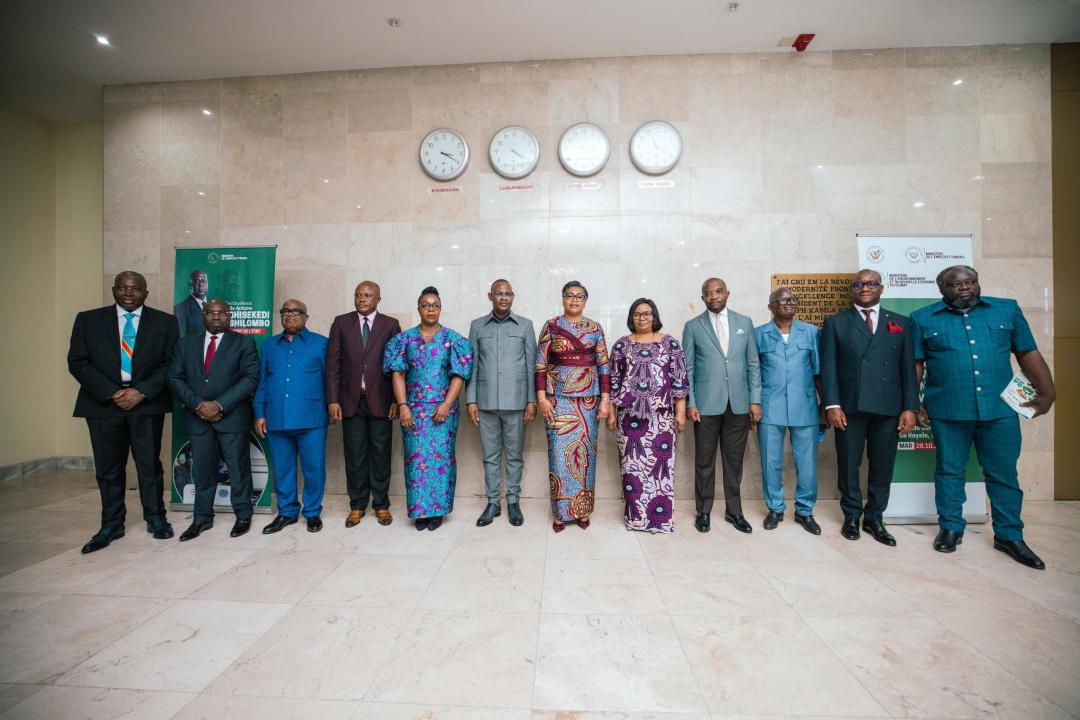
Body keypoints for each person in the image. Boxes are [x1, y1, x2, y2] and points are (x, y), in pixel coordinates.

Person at [911, 265, 1055, 569]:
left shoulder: (1006, 310)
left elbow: (1027, 352)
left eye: (970, 281)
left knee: (1003, 473)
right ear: (942, 290)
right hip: (948, 410)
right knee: (949, 471)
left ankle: (1009, 535)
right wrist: (914, 403)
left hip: (999, 411)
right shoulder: (922, 318)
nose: (964, 287)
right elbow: (917, 365)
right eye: (956, 284)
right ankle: (950, 528)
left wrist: (1047, 391)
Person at [68, 271, 180, 554]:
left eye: (135, 288)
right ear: (114, 290)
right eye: (123, 287)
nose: (129, 293)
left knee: (149, 466)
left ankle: (156, 518)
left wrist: (140, 391)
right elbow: (78, 362)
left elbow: (171, 363)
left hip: (146, 403)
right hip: (103, 404)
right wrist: (113, 392)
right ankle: (111, 525)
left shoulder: (165, 322)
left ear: (146, 292)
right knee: (108, 469)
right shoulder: (88, 319)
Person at [821, 269, 918, 546]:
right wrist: (832, 404)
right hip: (849, 407)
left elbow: (907, 369)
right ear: (852, 289)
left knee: (882, 465)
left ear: (881, 288)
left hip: (888, 407)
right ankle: (851, 515)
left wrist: (910, 407)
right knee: (849, 464)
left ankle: (875, 517)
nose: (865, 288)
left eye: (871, 283)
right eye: (859, 284)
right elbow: (828, 368)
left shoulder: (901, 323)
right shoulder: (836, 323)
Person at [167, 299, 260, 541]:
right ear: (203, 315)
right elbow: (175, 378)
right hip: (198, 418)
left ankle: (243, 515)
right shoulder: (186, 343)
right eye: (211, 313)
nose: (216, 317)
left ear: (229, 316)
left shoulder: (244, 342)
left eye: (221, 313)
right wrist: (199, 404)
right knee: (202, 470)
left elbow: (250, 378)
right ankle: (202, 518)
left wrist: (219, 405)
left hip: (232, 417)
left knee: (238, 469)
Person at [384, 287, 474, 531]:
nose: (431, 308)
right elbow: (398, 374)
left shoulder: (453, 339)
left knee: (441, 459)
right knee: (416, 460)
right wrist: (403, 406)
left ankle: (438, 511)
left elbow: (459, 376)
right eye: (426, 304)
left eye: (435, 304)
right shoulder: (404, 339)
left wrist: (446, 403)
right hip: (413, 410)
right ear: (419, 308)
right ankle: (419, 511)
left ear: (440, 308)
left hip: (443, 410)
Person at [682, 277, 761, 534]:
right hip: (705, 405)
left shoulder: (744, 323)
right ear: (702, 298)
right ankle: (703, 511)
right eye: (708, 293)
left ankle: (734, 511)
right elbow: (688, 369)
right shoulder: (693, 326)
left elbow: (753, 365)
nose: (714, 296)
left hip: (738, 403)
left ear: (727, 293)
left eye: (718, 291)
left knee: (734, 460)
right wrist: (691, 403)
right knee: (704, 461)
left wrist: (755, 400)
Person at [536, 280, 611, 533]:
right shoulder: (551, 326)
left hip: (588, 401)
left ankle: (582, 510)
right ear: (563, 299)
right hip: (557, 399)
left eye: (579, 296)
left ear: (586, 300)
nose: (574, 300)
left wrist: (605, 400)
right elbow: (540, 364)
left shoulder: (596, 328)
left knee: (586, 455)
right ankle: (560, 514)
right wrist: (542, 398)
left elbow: (604, 365)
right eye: (570, 295)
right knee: (559, 456)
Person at [607, 298, 688, 533]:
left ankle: (660, 520)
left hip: (661, 418)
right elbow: (613, 381)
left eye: (647, 314)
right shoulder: (621, 346)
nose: (642, 318)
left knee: (661, 466)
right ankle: (636, 518)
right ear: (631, 318)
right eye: (637, 314)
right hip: (629, 418)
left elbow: (679, 380)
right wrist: (612, 413)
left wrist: (680, 413)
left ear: (654, 316)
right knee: (632, 468)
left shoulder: (670, 344)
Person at [326, 281, 401, 528]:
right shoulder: (341, 322)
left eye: (368, 295)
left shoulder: (390, 325)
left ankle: (381, 505)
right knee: (355, 455)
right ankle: (357, 506)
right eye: (358, 295)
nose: (362, 299)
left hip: (381, 400)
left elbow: (397, 367)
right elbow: (333, 364)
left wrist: (395, 401)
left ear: (378, 299)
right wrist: (333, 399)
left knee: (381, 454)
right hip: (350, 401)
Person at [465, 279, 537, 527]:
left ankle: (513, 501)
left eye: (507, 294)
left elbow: (531, 366)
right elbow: (471, 366)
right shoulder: (477, 326)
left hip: (517, 403)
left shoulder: (526, 326)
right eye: (499, 293)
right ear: (490, 296)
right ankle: (493, 502)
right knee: (490, 456)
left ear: (513, 297)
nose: (503, 297)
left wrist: (531, 400)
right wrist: (471, 400)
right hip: (485, 404)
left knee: (515, 456)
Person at [254, 299, 329, 534]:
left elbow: (331, 381)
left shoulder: (321, 344)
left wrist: (334, 407)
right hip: (276, 416)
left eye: (297, 311)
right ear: (280, 316)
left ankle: (313, 512)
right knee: (283, 467)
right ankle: (286, 512)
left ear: (306, 317)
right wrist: (259, 413)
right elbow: (262, 382)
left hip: (312, 417)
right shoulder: (268, 346)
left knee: (313, 467)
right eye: (286, 311)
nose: (291, 315)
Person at [753, 288, 823, 535]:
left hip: (805, 407)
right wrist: (754, 404)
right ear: (771, 307)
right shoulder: (758, 334)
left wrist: (824, 405)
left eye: (793, 299)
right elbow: (753, 372)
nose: (788, 303)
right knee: (771, 461)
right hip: (769, 407)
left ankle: (805, 510)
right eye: (782, 300)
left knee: (806, 464)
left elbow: (819, 373)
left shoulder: (811, 332)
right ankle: (775, 508)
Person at [174, 269, 208, 336]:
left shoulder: (215, 305)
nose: (201, 284)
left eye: (203, 281)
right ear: (190, 286)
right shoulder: (180, 309)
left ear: (207, 284)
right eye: (197, 281)